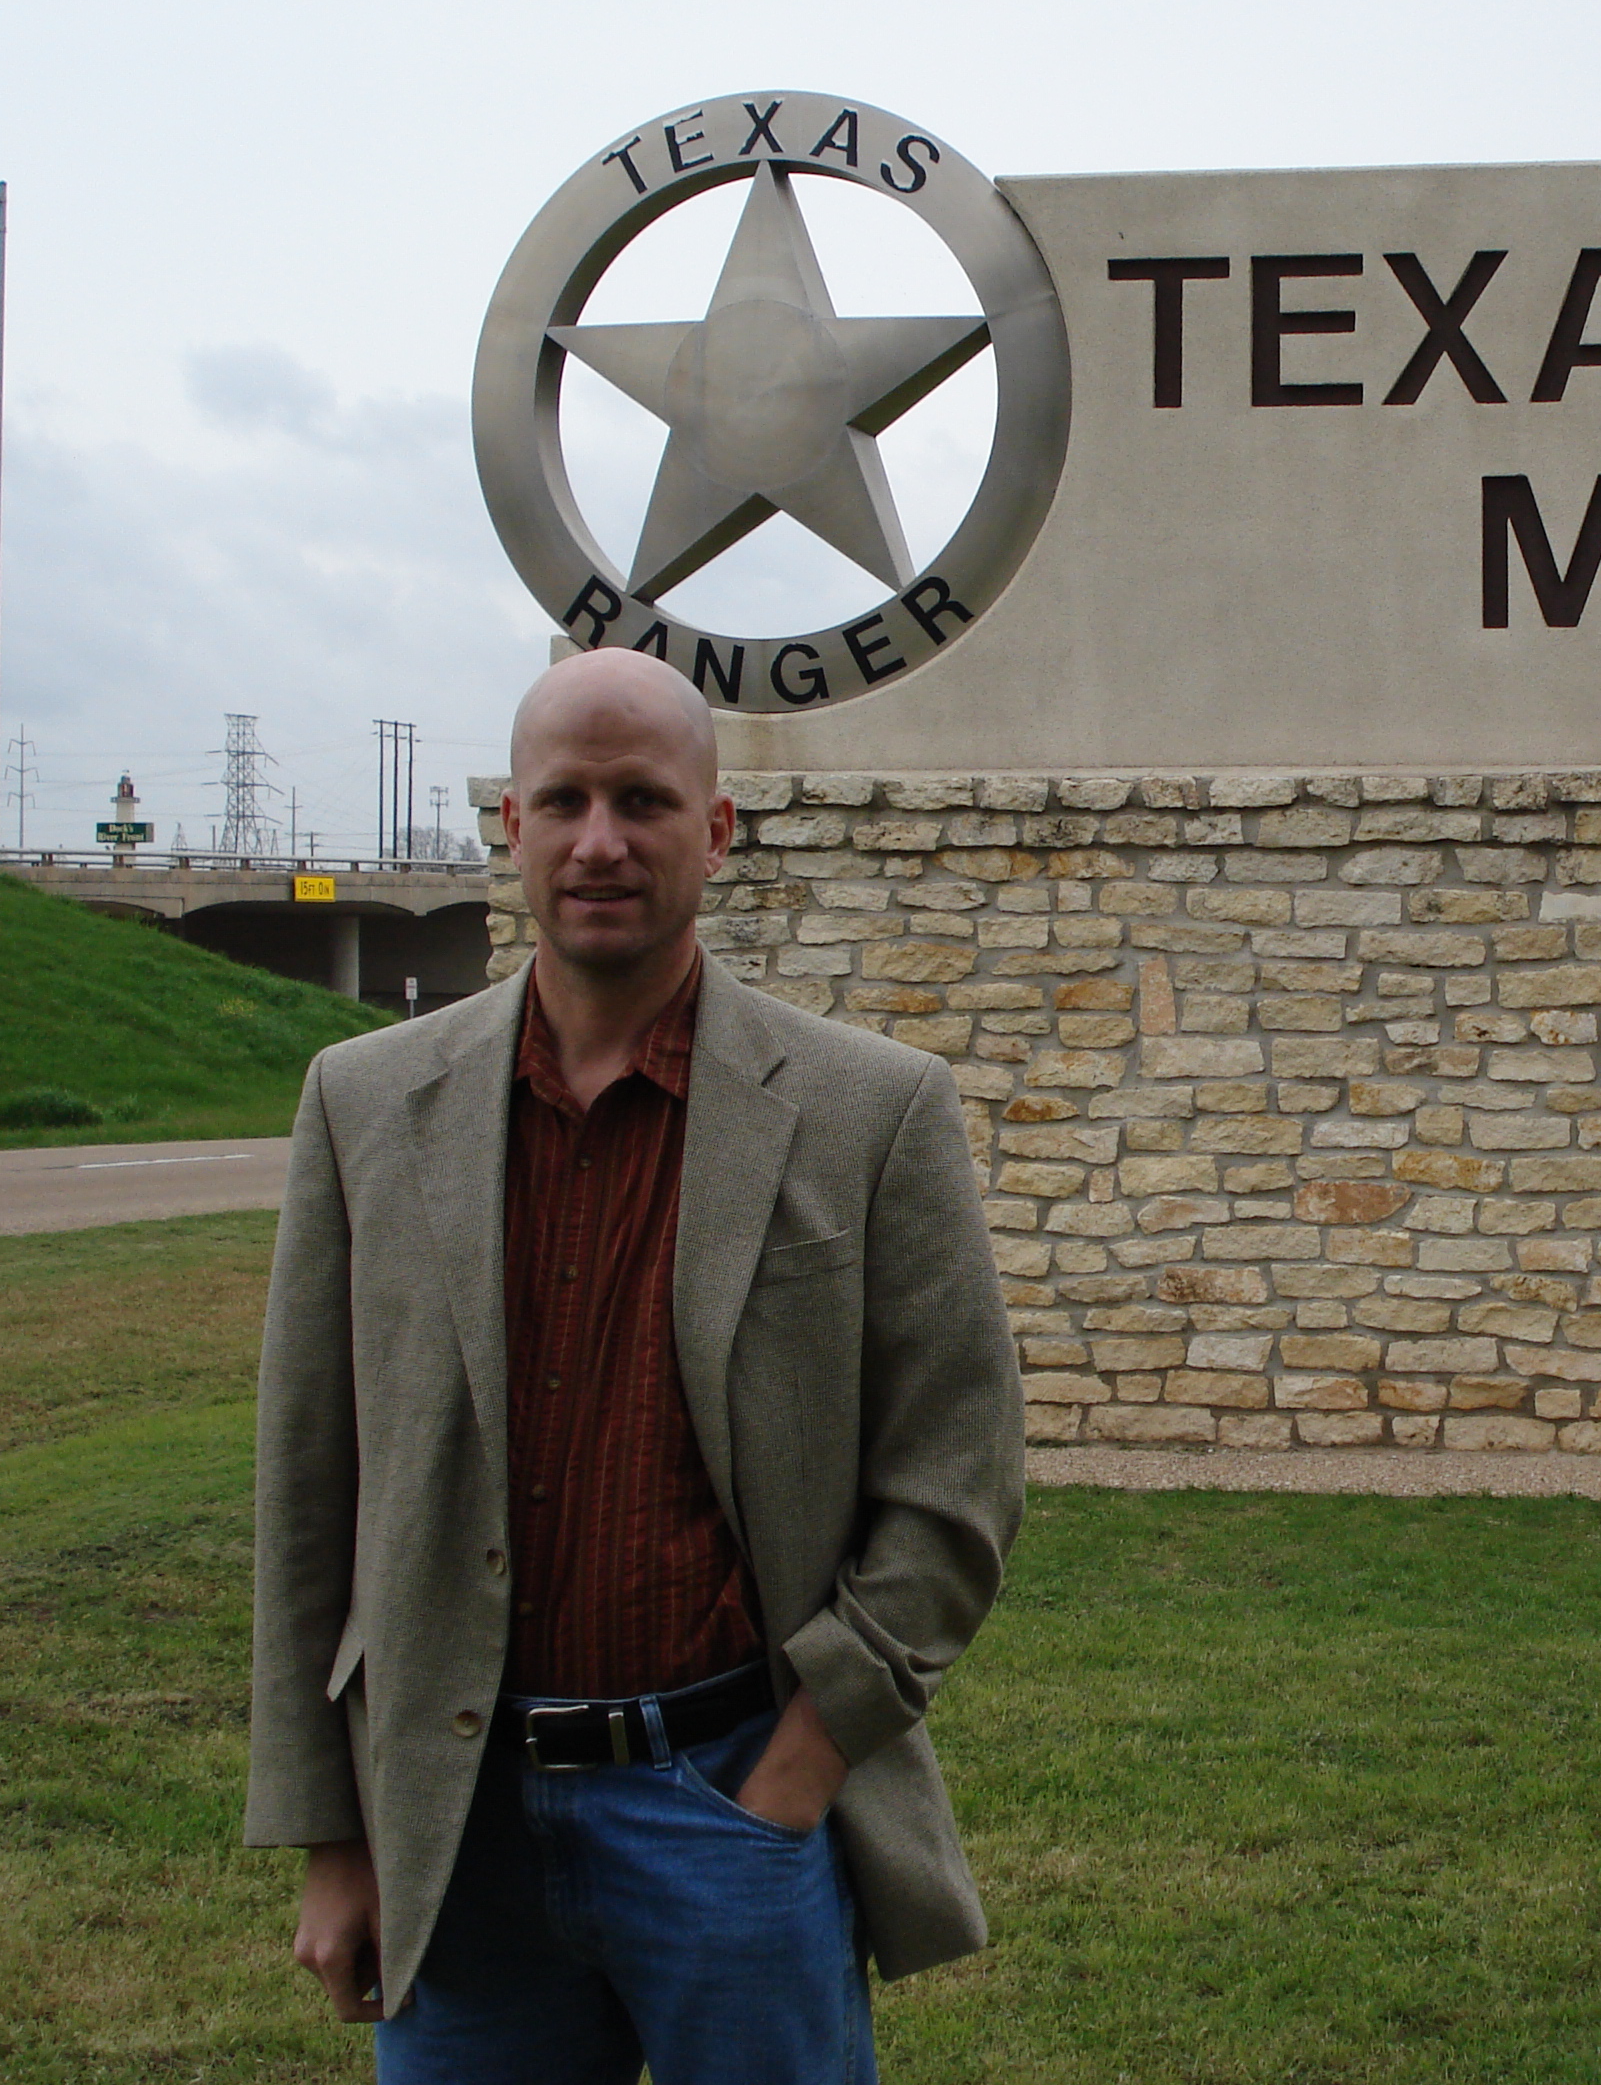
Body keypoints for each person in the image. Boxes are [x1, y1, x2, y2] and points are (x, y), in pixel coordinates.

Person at [245, 647, 1022, 2083]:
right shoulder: (363, 1105)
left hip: (730, 1809)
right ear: (512, 826)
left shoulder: (870, 1115)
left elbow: (954, 1484)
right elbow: (310, 1495)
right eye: (565, 801)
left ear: (716, 830)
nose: (601, 840)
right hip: (453, 1829)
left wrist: (794, 1775)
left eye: (644, 801)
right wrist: (333, 1839)